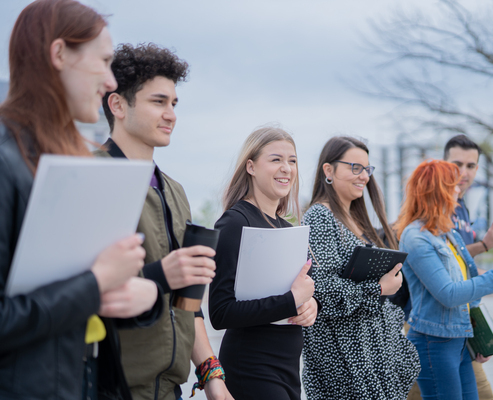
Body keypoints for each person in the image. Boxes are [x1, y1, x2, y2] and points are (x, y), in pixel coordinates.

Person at [0, 1, 159, 399]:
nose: (109, 81)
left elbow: (69, 307)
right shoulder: (5, 161)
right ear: (58, 54)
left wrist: (144, 297)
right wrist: (96, 282)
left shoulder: (70, 163)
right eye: (103, 61)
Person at [99, 43, 230, 400]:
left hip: (170, 391)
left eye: (174, 104)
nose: (171, 114)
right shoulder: (90, 176)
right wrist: (160, 276)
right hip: (110, 389)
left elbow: (189, 302)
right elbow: (77, 289)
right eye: (158, 102)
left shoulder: (176, 192)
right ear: (118, 105)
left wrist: (212, 376)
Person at [395, 160, 493, 400]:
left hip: (459, 340)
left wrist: (478, 338)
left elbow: (469, 288)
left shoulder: (448, 232)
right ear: (438, 190)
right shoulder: (415, 237)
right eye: (453, 185)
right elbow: (449, 293)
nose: (459, 189)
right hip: (432, 343)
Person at [301, 136, 420, 400]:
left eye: (367, 169)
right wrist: (379, 288)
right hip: (344, 361)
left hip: (371, 356)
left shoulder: (355, 218)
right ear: (328, 170)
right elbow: (321, 289)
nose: (364, 176)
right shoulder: (320, 216)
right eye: (355, 167)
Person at [209, 126, 318, 400]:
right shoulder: (235, 223)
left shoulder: (286, 227)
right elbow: (220, 313)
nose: (287, 168)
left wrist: (310, 306)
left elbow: (301, 293)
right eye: (276, 159)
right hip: (251, 367)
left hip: (289, 368)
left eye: (292, 161)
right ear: (251, 167)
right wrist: (291, 300)